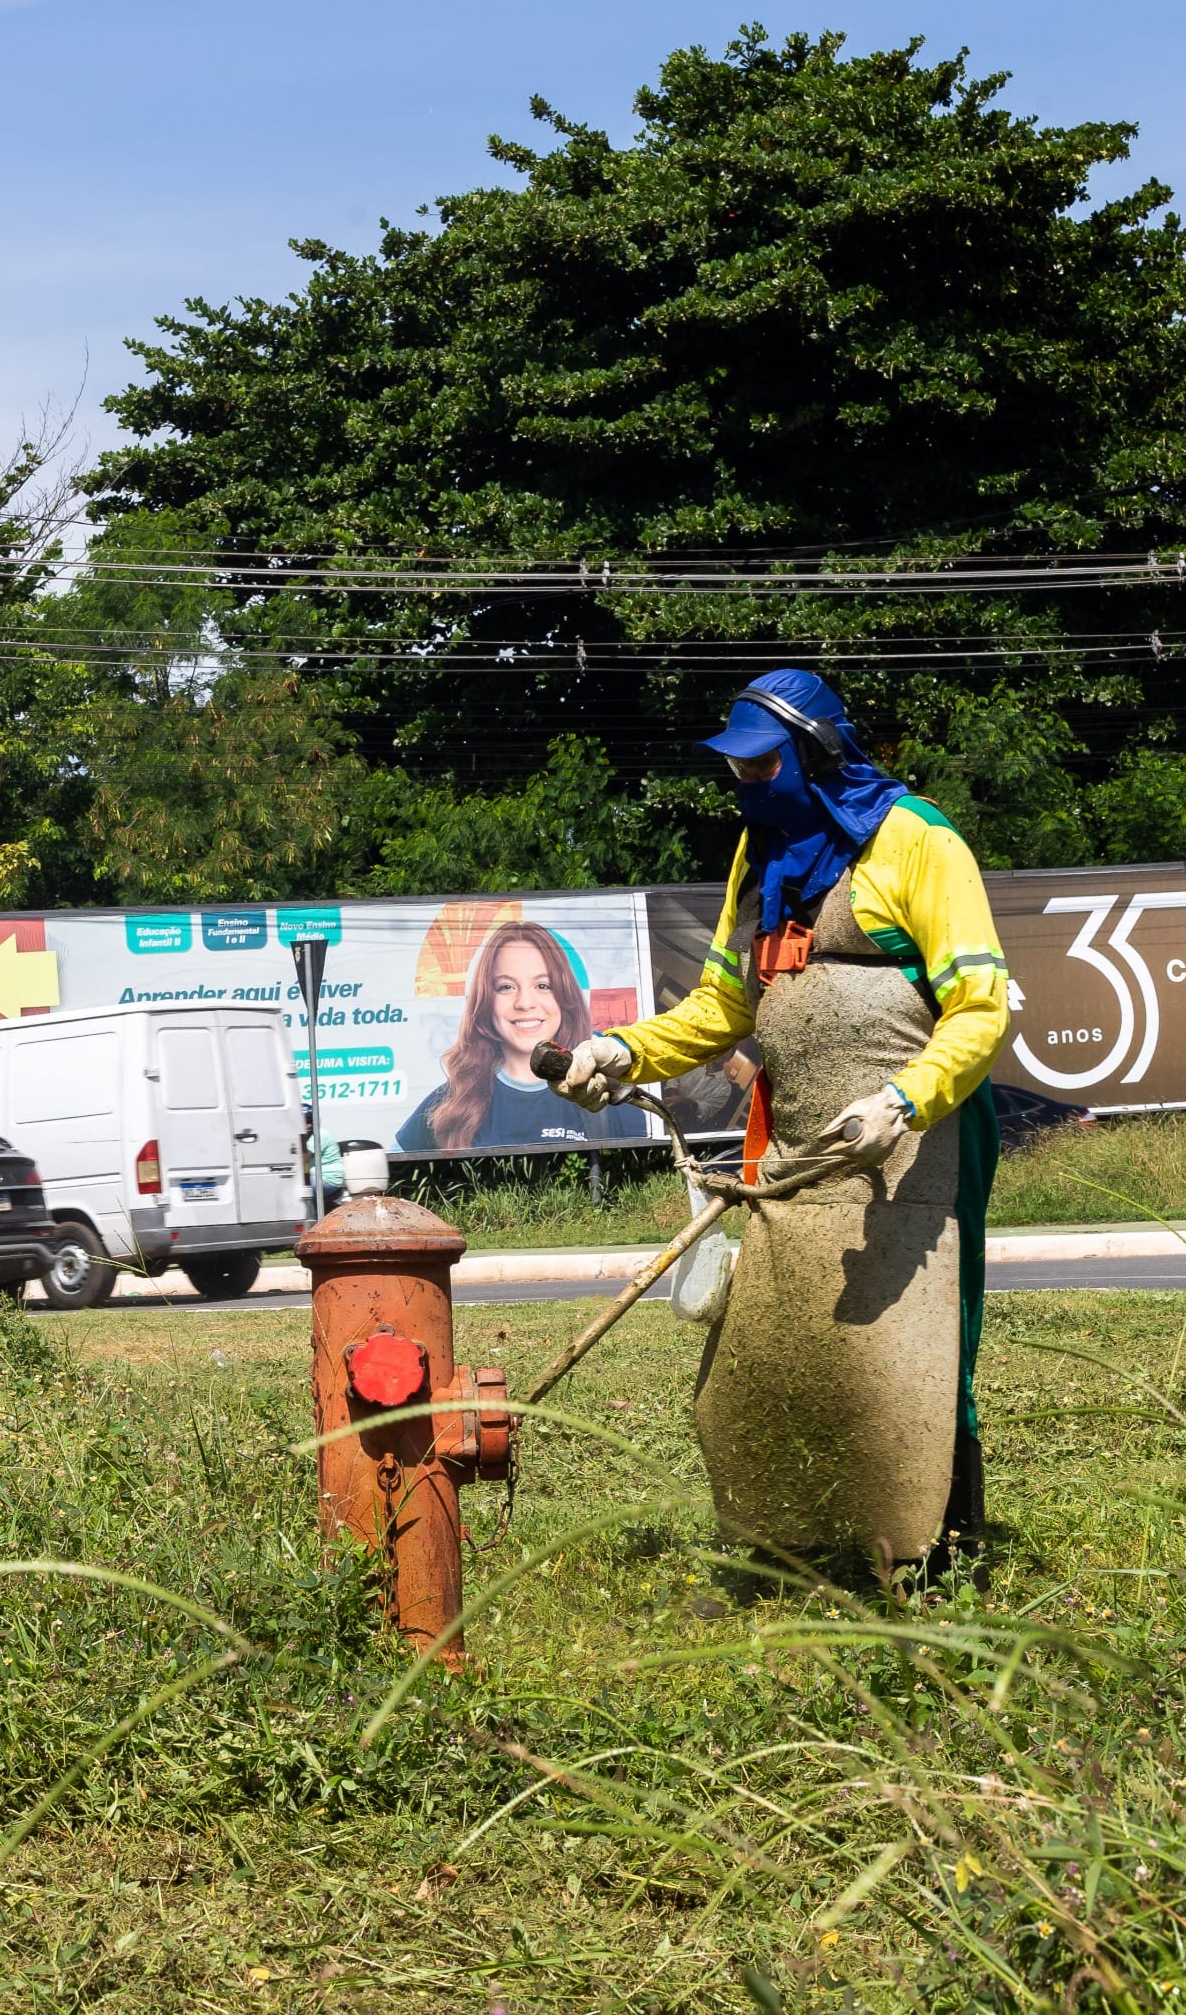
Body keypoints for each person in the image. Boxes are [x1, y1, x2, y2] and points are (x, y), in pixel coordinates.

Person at [555, 669, 1008, 1568]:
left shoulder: (920, 842)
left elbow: (982, 1009)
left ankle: (939, 1548)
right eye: (737, 769)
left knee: (913, 1347)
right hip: (801, 1151)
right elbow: (722, 1009)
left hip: (921, 1140)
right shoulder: (761, 856)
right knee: (782, 1349)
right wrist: (622, 1052)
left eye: (764, 765)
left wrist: (902, 1101)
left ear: (818, 752)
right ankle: (800, 1550)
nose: (747, 783)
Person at [396, 921, 650, 1153]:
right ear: (485, 1001)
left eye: (543, 985)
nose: (525, 1003)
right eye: (506, 987)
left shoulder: (607, 1095)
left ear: (565, 997)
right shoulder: (451, 1101)